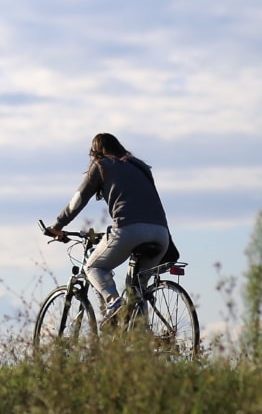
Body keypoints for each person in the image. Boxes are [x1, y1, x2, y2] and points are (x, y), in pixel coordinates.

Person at [46, 133, 170, 321]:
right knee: (137, 289)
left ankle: (114, 303)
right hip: (161, 234)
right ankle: (144, 341)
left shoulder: (101, 165)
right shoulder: (140, 166)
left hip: (129, 230)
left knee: (93, 266)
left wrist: (57, 226)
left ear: (95, 153)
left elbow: (78, 200)